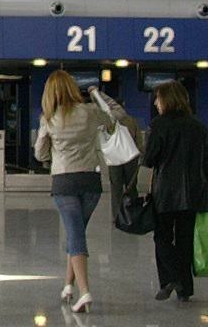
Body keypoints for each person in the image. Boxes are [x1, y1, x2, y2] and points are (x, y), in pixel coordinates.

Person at [34, 71, 127, 314]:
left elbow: (40, 154)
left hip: (64, 182)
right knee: (76, 233)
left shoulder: (48, 118)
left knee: (75, 236)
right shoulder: (89, 112)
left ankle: (85, 292)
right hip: (90, 181)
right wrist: (98, 95)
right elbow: (116, 117)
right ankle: (68, 285)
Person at [142, 80, 208, 303]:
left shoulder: (159, 125)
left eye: (158, 99)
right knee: (185, 239)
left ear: (166, 100)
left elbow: (149, 159)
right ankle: (184, 290)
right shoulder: (198, 126)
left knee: (161, 236)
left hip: (166, 191)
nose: (156, 103)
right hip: (194, 191)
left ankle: (170, 278)